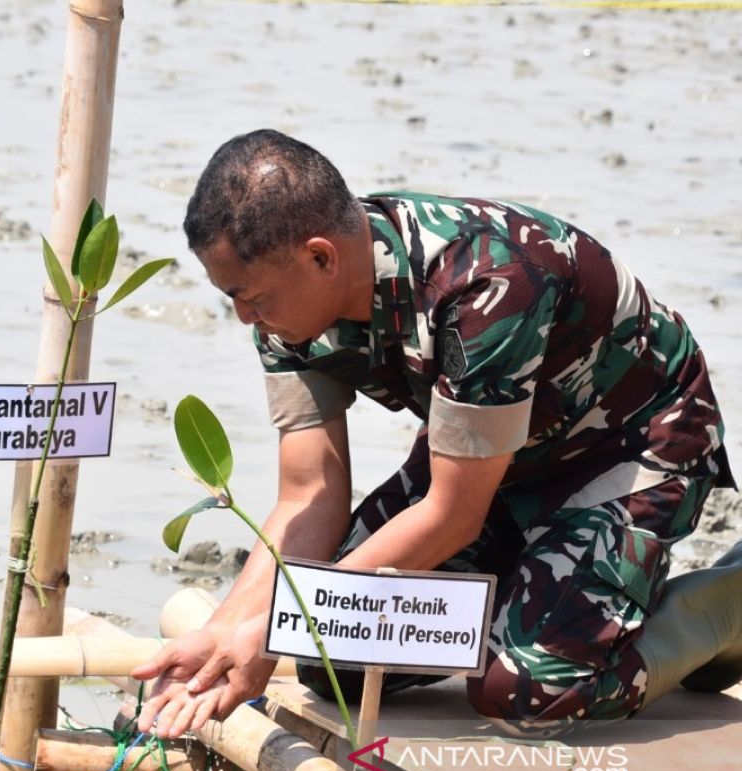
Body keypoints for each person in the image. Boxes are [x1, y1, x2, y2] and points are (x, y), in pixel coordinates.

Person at [133, 129, 741, 739]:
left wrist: (274, 629)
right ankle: (535, 600)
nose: (244, 316)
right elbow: (308, 492)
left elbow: (452, 515)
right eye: (232, 297)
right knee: (334, 659)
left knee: (525, 694)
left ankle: (720, 610)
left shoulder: (486, 284)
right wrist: (228, 629)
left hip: (626, 447)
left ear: (321, 256)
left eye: (251, 297)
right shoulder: (283, 303)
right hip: (487, 458)